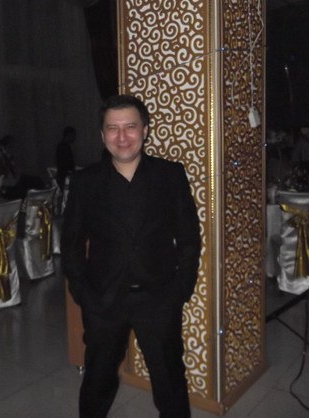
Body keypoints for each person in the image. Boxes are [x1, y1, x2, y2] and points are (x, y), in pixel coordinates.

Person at [61, 94, 201, 417]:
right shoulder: (85, 182)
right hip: (103, 300)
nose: (122, 137)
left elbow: (189, 237)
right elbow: (70, 244)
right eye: (113, 128)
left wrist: (180, 290)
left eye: (130, 127)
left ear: (145, 130)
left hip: (159, 298)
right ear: (102, 135)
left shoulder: (170, 175)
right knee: (97, 381)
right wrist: (83, 293)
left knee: (170, 382)